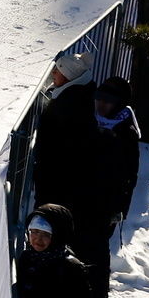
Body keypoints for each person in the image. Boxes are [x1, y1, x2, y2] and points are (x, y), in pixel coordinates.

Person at [74, 75, 141, 298]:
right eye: (99, 99)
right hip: (79, 199)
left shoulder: (126, 132)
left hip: (103, 206)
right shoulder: (88, 121)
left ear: (119, 104)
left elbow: (130, 175)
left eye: (108, 101)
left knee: (96, 256)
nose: (101, 105)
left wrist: (119, 208)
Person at [32, 50, 97, 213]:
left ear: (69, 77)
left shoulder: (70, 105)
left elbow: (61, 146)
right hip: (58, 176)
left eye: (58, 70)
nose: (53, 72)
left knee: (49, 216)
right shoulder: (74, 96)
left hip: (57, 179)